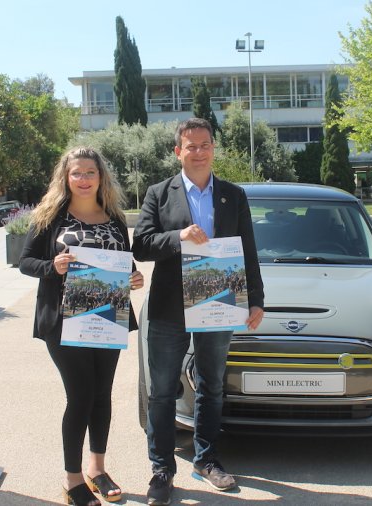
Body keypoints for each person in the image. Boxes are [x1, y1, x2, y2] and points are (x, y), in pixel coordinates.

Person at [132, 118, 265, 505]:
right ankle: (161, 468)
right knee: (161, 391)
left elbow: (248, 250)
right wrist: (179, 237)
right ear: (178, 152)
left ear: (213, 148)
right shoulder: (159, 193)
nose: (199, 152)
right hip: (169, 307)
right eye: (190, 146)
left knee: (211, 384)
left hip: (219, 304)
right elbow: (141, 245)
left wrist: (255, 298)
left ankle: (206, 460)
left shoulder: (233, 195)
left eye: (205, 144)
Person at [19, 147, 144, 506]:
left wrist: (133, 276)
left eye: (90, 172)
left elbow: (124, 262)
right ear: (66, 177)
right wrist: (52, 266)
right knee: (80, 396)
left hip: (108, 316)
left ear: (100, 176)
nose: (84, 179)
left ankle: (97, 468)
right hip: (64, 321)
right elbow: (26, 261)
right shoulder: (49, 216)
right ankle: (72, 479)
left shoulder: (115, 218)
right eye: (77, 173)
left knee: (102, 394)